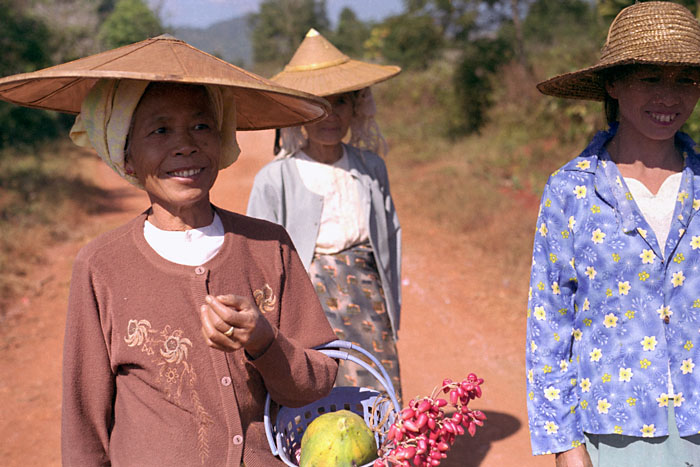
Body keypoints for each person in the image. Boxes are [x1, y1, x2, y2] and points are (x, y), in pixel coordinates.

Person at [0, 35, 339, 466]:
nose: (186, 145)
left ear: (221, 141)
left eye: (201, 126)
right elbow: (85, 419)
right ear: (126, 157)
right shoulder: (101, 266)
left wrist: (264, 341)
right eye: (160, 130)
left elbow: (316, 383)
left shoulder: (269, 246)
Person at [526, 2, 700, 466]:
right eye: (650, 77)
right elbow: (549, 324)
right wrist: (565, 446)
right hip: (616, 433)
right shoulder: (571, 190)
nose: (669, 96)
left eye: (686, 78)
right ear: (613, 83)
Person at [246, 29, 403, 402]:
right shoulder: (276, 177)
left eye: (342, 102)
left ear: (356, 107)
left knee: (377, 383)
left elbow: (389, 240)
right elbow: (257, 258)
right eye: (318, 104)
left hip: (367, 294)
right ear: (301, 112)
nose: (331, 115)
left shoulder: (370, 167)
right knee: (316, 384)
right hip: (308, 297)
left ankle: (385, 458)